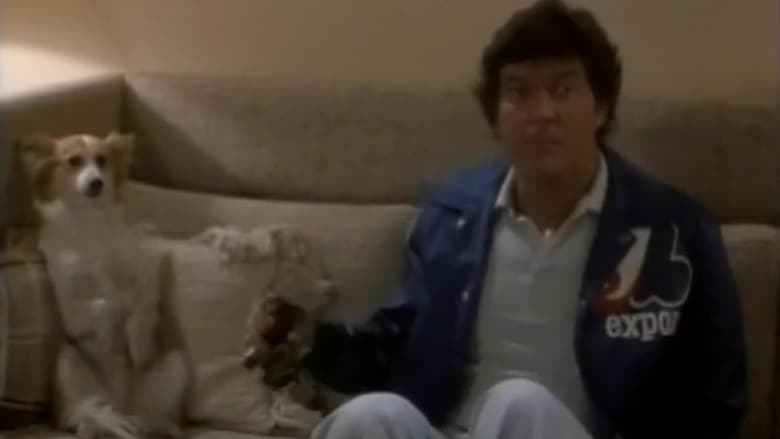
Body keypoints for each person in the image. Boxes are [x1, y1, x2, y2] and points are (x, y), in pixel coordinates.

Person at [256, 0, 748, 437]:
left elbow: (718, 396)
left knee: (519, 404)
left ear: (600, 107)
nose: (543, 112)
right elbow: (391, 347)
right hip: (451, 428)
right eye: (520, 92)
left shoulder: (672, 228)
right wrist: (307, 341)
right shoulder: (450, 214)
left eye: (563, 89)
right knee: (370, 416)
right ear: (495, 116)